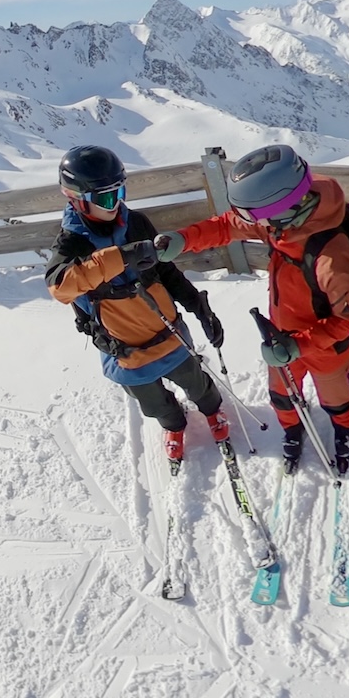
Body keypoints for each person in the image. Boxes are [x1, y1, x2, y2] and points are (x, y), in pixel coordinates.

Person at [154, 145, 349, 473]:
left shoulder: (333, 261)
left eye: (255, 216)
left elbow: (347, 319)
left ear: (284, 208)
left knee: (335, 398)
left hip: (323, 346)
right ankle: (293, 430)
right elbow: (228, 226)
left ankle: (344, 430)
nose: (252, 223)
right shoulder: (285, 221)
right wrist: (184, 240)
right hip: (281, 336)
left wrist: (298, 346)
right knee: (282, 396)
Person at [46, 145, 229, 466]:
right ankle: (173, 425)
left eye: (120, 191)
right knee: (153, 401)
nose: (116, 203)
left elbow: (166, 271)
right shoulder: (72, 243)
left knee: (196, 381)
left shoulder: (136, 223)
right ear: (76, 199)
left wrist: (198, 307)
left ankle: (213, 411)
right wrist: (121, 257)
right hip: (125, 349)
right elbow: (60, 287)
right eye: (105, 198)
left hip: (167, 331)